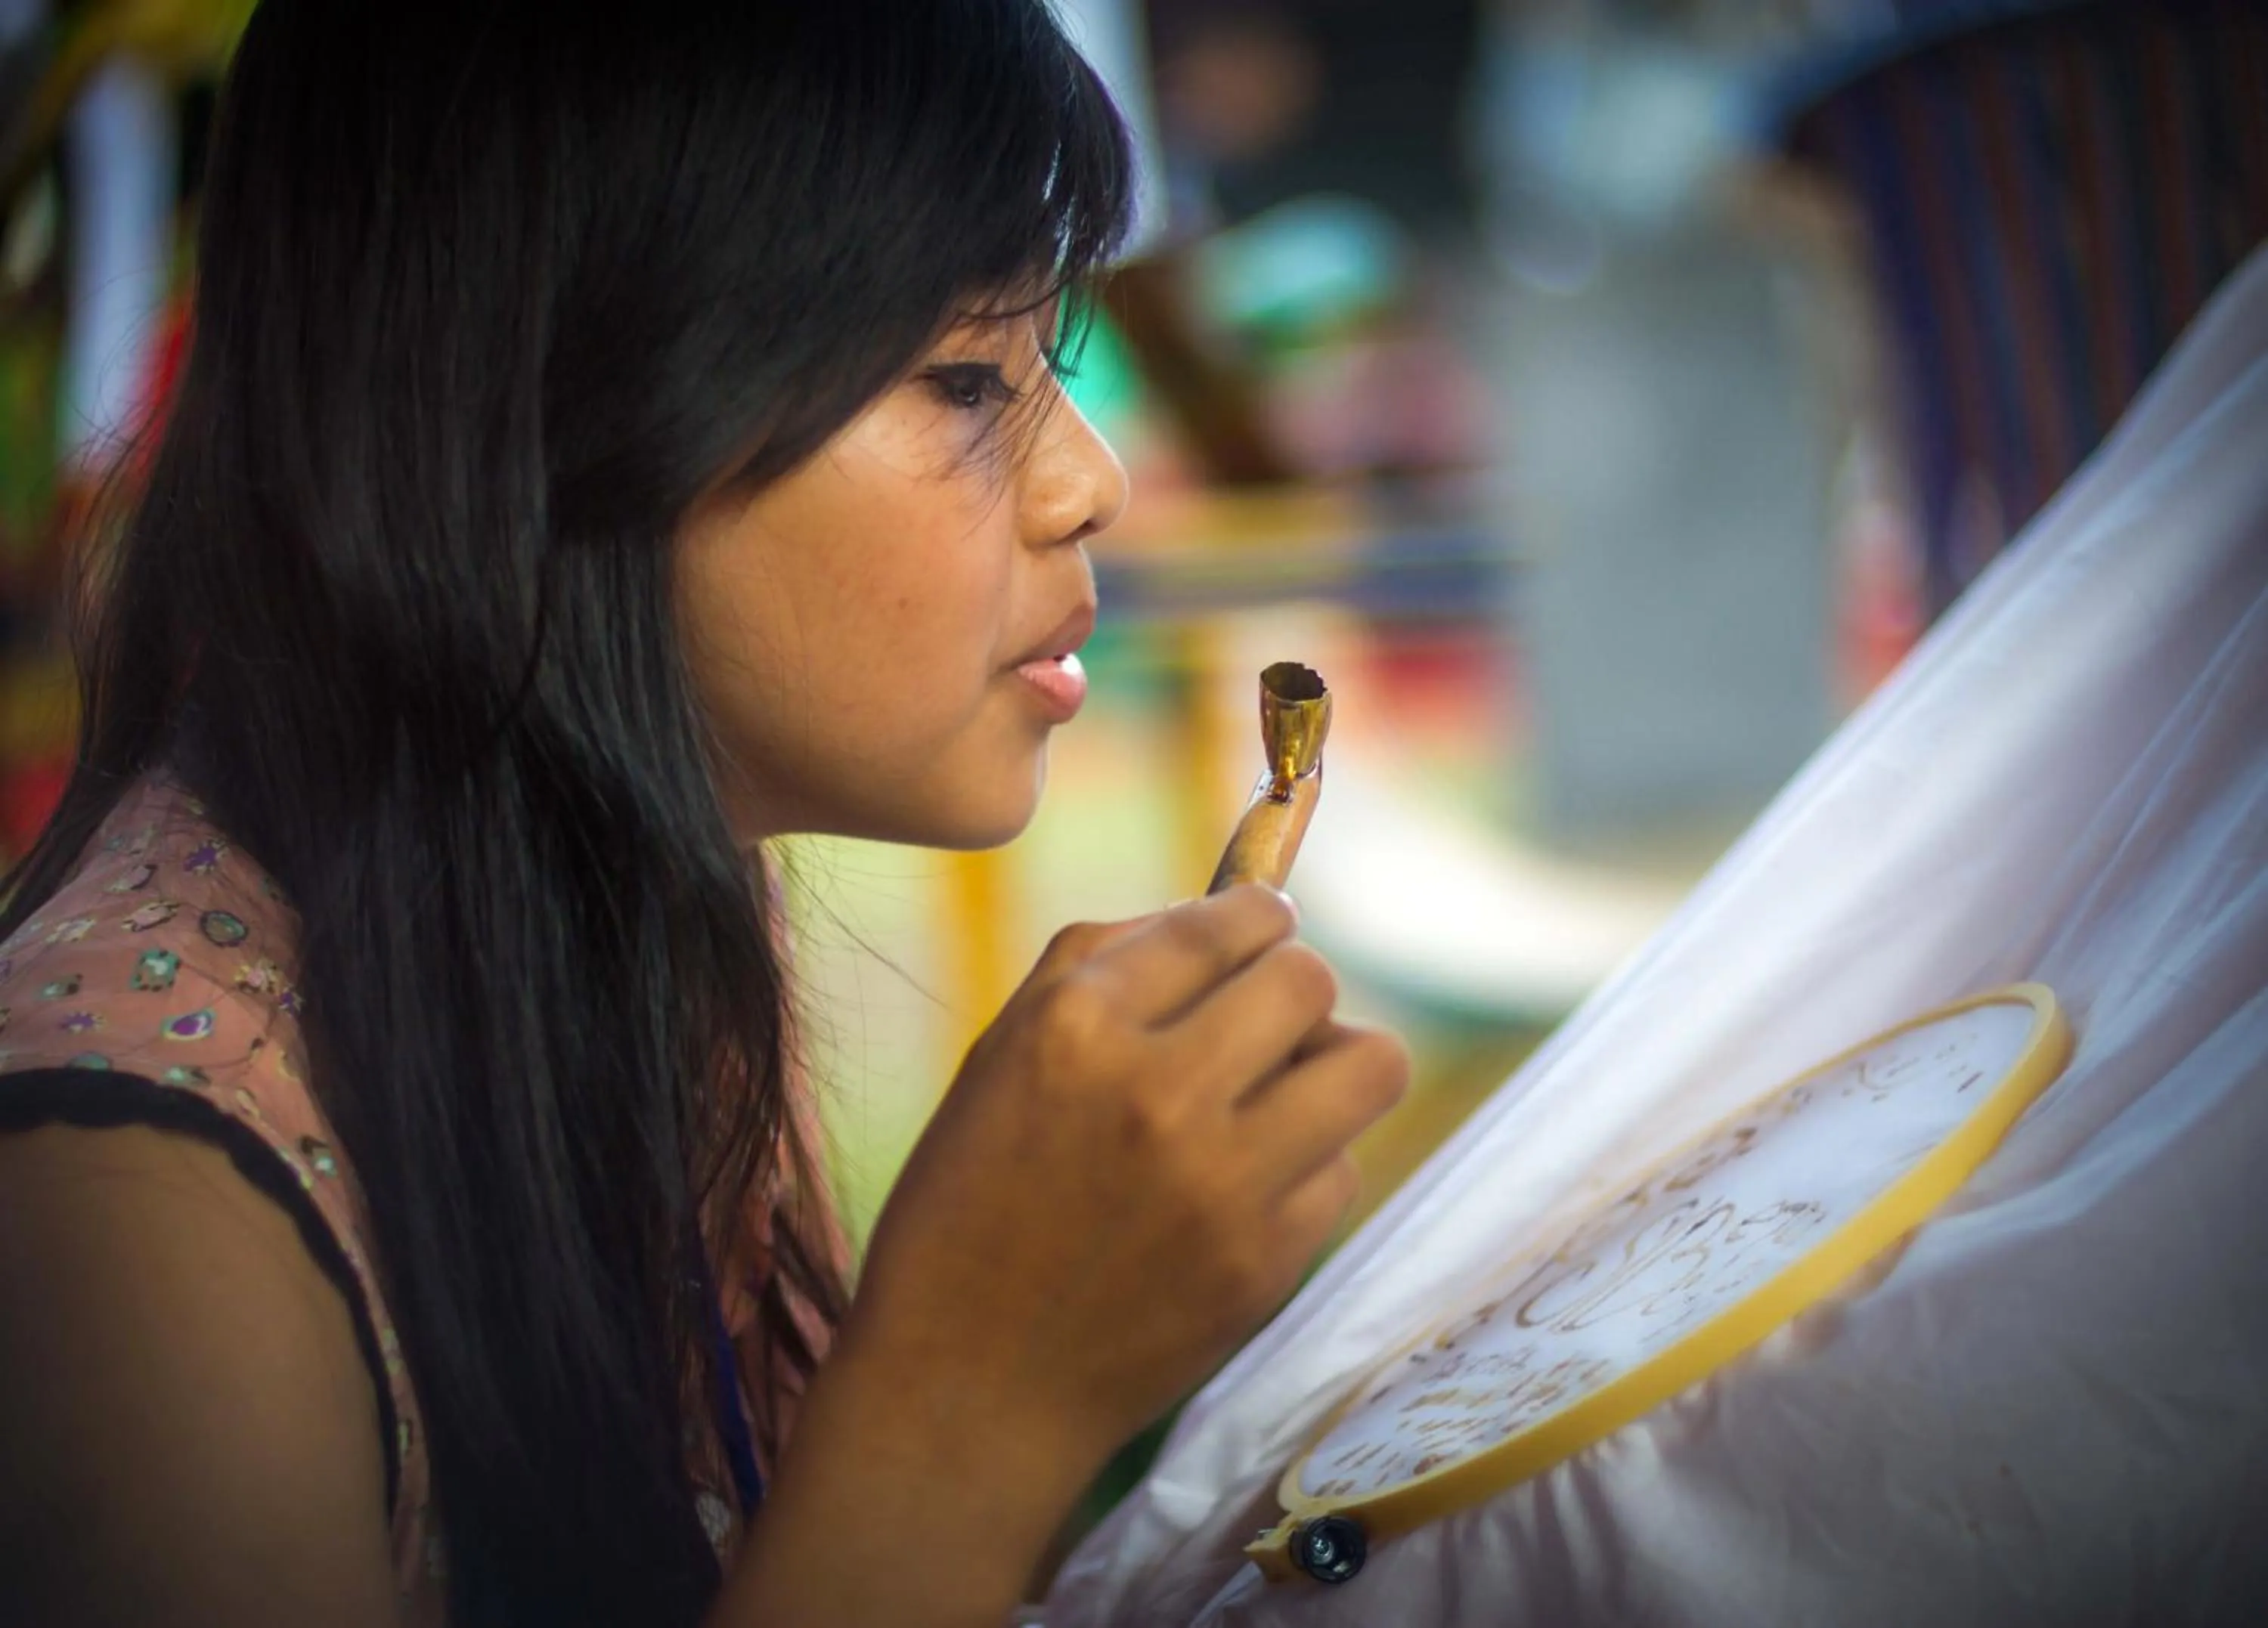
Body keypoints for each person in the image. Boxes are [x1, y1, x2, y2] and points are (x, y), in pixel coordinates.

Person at [0, 4, 1411, 1625]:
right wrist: (975, 1396)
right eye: (964, 376)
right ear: (550, 411)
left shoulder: (637, 911)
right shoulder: (128, 1209)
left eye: (1052, 360)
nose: (1086, 478)